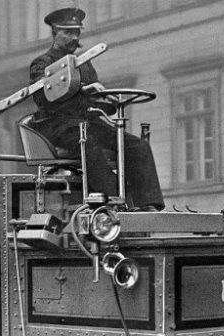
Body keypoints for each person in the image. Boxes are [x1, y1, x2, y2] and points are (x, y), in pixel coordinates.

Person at [28, 8, 164, 211]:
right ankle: (111, 202)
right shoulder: (42, 63)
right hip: (58, 125)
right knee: (89, 145)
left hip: (88, 122)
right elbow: (43, 98)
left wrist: (110, 101)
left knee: (137, 146)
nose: (74, 38)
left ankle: (148, 205)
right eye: (68, 32)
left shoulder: (84, 64)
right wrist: (83, 91)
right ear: (55, 33)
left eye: (77, 32)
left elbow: (95, 100)